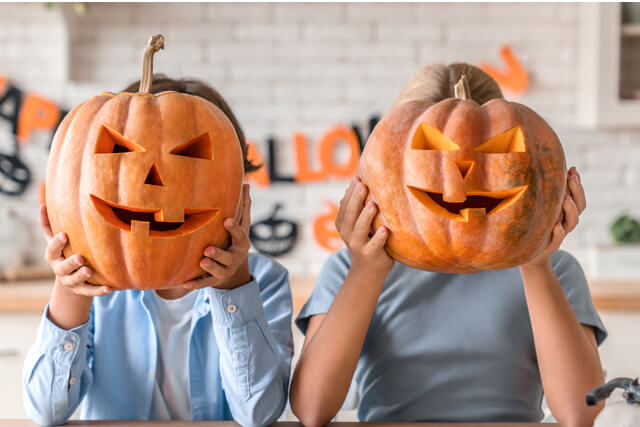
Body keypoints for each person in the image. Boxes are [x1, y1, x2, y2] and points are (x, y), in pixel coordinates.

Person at [290, 63, 607, 427]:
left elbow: (581, 414)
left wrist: (533, 260)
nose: (461, 175)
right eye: (431, 150)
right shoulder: (349, 269)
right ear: (391, 163)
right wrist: (367, 270)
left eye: (495, 150)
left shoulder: (555, 269)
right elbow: (312, 411)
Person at [23, 76, 293, 427]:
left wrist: (234, 284)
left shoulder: (264, 282)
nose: (155, 184)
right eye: (122, 151)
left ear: (236, 183)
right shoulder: (100, 290)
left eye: (191, 156)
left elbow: (259, 414)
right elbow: (46, 412)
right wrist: (72, 286)